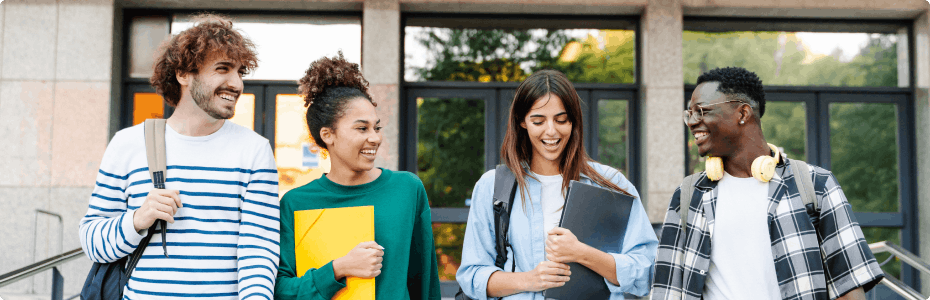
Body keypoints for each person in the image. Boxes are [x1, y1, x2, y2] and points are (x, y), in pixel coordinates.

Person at [78, 14, 280, 299]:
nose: (236, 83)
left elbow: (259, 251)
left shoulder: (254, 150)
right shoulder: (127, 144)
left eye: (240, 72)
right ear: (183, 74)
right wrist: (137, 219)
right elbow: (92, 242)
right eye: (223, 69)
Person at [651, 67, 884, 300]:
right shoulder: (689, 195)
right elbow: (666, 291)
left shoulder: (816, 184)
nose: (692, 122)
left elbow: (849, 287)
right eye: (689, 114)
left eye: (701, 111)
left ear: (742, 113)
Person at [456, 70, 658, 299]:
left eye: (561, 120)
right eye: (538, 120)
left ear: (573, 121)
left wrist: (582, 254)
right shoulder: (493, 186)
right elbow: (472, 276)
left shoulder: (610, 184)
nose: (551, 131)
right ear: (522, 122)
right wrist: (530, 279)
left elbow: (647, 272)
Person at [274, 52, 441, 300]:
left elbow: (424, 284)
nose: (374, 137)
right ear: (328, 135)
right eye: (362, 128)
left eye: (377, 127)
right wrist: (338, 269)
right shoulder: (295, 203)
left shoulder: (406, 190)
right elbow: (281, 290)